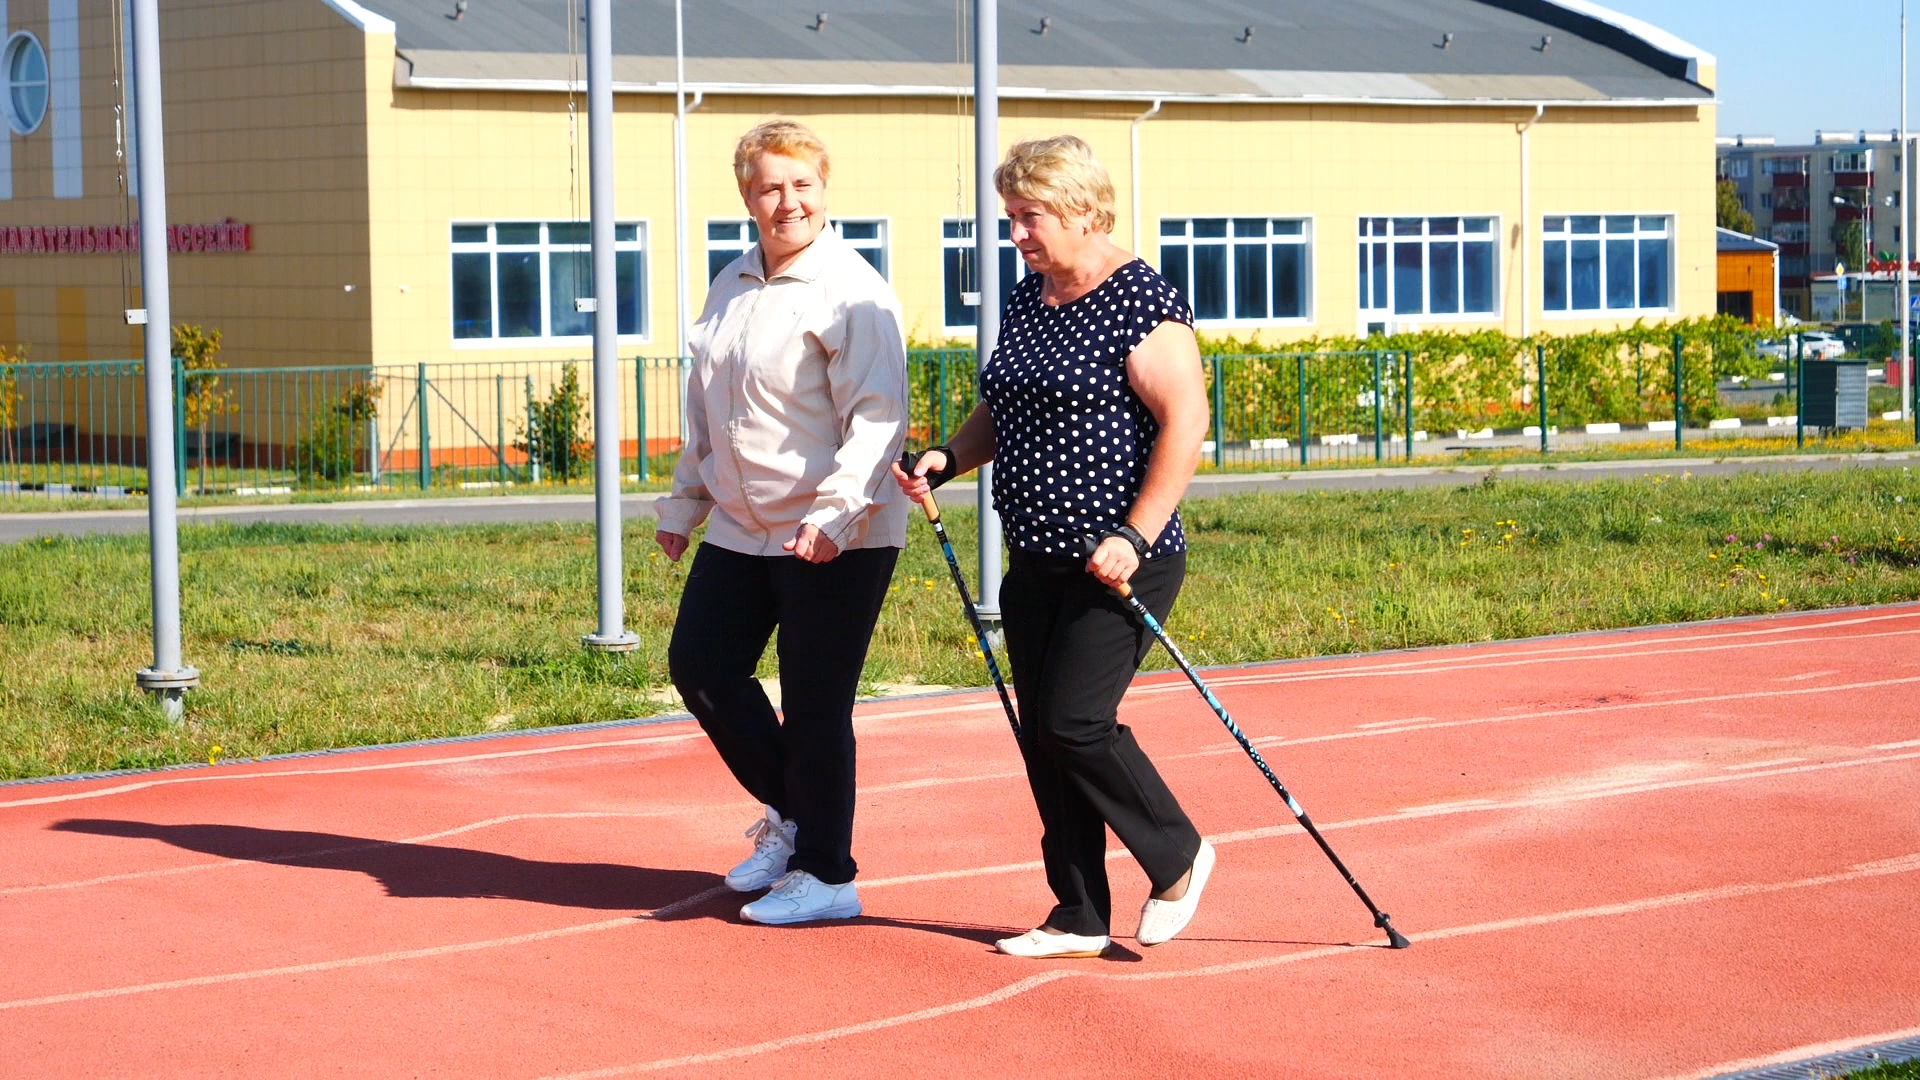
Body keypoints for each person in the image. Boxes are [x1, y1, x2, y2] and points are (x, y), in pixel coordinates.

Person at [895, 135, 1214, 958]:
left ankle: (1178, 855)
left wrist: (1135, 534)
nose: (1018, 236)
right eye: (1012, 221)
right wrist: (947, 458)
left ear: (1080, 209)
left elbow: (1186, 422)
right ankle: (1077, 911)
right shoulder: (1031, 298)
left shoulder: (1142, 300)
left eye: (1028, 218)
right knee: (1041, 734)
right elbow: (1005, 408)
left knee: (1075, 723)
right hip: (1034, 556)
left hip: (1117, 557)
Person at [655, 119, 908, 926]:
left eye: (802, 185)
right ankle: (799, 823)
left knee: (815, 702)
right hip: (741, 522)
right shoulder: (730, 281)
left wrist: (835, 515)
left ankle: (828, 874)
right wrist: (684, 504)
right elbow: (708, 411)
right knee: (701, 666)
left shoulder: (853, 289)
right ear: (746, 197)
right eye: (770, 187)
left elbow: (879, 420)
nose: (787, 201)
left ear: (824, 191)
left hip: (837, 527)